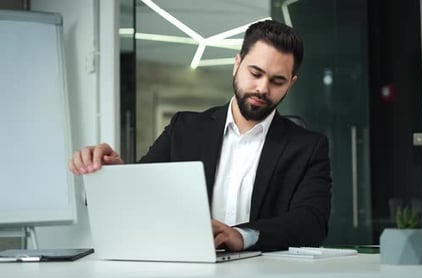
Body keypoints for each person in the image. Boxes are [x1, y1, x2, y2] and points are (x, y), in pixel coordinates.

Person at [69, 20, 332, 252]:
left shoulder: (308, 147)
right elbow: (140, 198)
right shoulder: (184, 128)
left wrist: (241, 236)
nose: (263, 88)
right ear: (237, 64)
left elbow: (311, 224)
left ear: (291, 82)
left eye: (277, 81)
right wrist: (111, 176)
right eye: (255, 73)